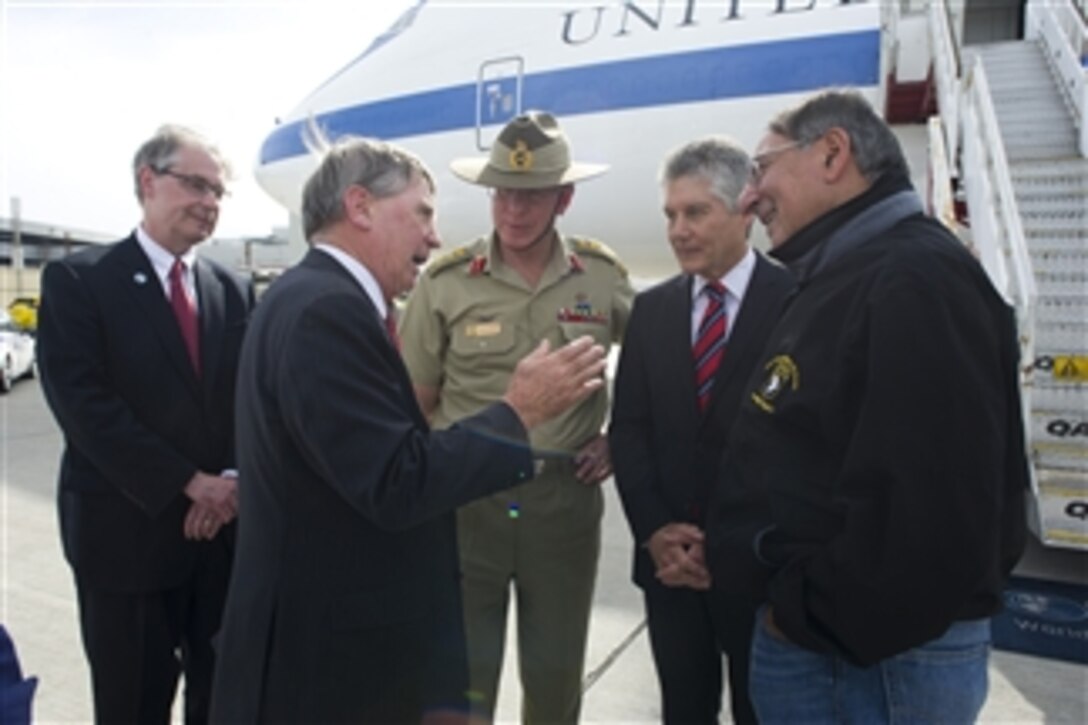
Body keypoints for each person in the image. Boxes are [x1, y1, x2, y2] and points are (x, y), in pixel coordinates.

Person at [208, 133, 608, 724]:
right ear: (361, 206)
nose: (435, 236)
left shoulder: (309, 296)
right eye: (422, 212)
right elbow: (397, 481)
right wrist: (519, 412)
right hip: (324, 667)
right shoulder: (326, 311)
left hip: (320, 645)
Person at [705, 90, 1028, 723]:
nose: (749, 196)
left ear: (831, 154)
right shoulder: (854, 273)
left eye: (761, 167)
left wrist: (802, 614)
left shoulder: (914, 282)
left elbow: (930, 511)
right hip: (846, 652)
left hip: (866, 663)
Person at [398, 110, 634, 722]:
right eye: (502, 193)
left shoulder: (602, 275)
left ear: (564, 198)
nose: (514, 211)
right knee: (462, 681)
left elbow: (657, 370)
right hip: (467, 506)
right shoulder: (444, 283)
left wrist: (620, 437)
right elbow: (415, 407)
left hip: (562, 505)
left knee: (554, 682)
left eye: (532, 196)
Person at [36, 125, 254, 724]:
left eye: (217, 191)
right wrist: (189, 481)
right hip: (126, 540)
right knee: (132, 705)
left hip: (220, 539)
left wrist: (229, 481)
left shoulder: (231, 290)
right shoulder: (81, 280)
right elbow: (84, 406)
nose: (209, 202)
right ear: (147, 182)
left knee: (222, 701)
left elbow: (248, 399)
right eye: (196, 185)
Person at [609, 137, 792, 724]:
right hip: (670, 570)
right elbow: (630, 430)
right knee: (683, 712)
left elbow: (799, 444)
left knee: (759, 713)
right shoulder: (652, 310)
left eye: (695, 212)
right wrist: (657, 531)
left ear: (744, 209)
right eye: (671, 214)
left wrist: (731, 542)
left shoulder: (796, 300)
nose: (678, 230)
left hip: (759, 572)